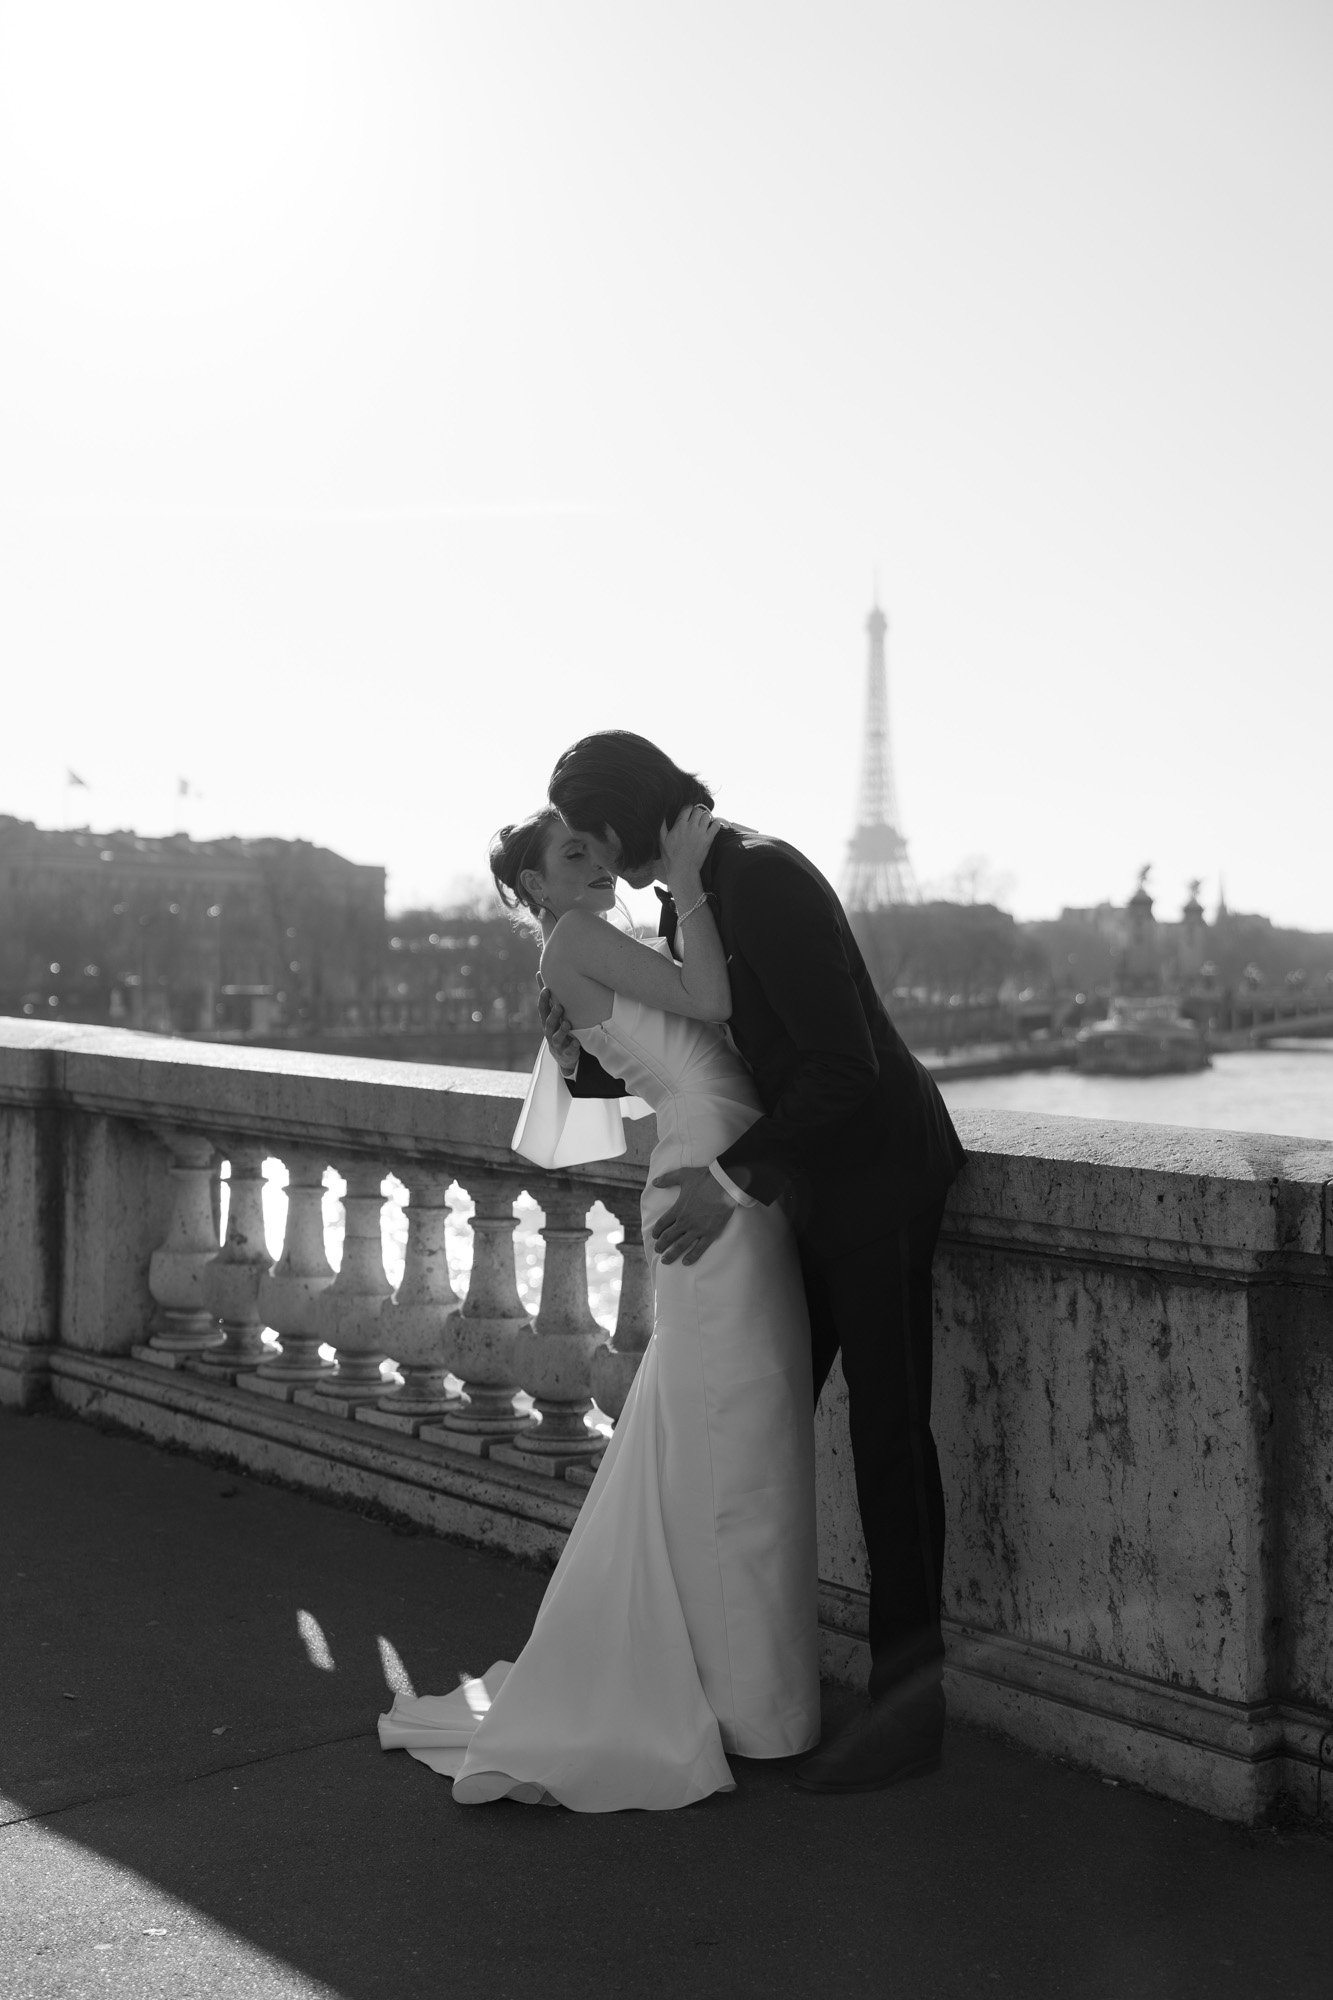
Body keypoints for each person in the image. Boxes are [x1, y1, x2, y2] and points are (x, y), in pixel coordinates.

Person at [544, 730, 966, 1793]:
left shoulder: (760, 875)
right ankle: (739, 1675)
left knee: (884, 1438)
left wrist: (724, 1182)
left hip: (874, 1179)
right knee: (751, 1421)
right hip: (800, 1187)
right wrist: (587, 1067)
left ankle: (910, 1707)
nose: (602, 864)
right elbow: (717, 1056)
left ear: (635, 809)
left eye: (599, 839)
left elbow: (842, 1065)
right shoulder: (704, 878)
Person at [378, 802, 820, 1810]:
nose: (596, 860)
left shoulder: (582, 944)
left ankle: (743, 1695)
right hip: (713, 1177)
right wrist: (694, 873)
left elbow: (617, 1079)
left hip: (718, 1168)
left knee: (726, 1436)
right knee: (735, 1440)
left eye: (595, 846)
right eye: (569, 853)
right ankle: (755, 1708)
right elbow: (708, 999)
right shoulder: (577, 936)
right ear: (533, 885)